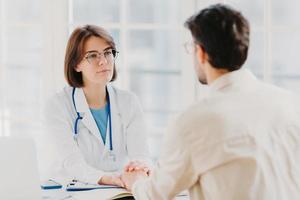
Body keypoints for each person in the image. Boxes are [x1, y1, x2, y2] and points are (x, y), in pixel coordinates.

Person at [121, 4, 300, 200]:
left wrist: (136, 182)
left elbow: (156, 194)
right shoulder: (289, 102)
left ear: (201, 52)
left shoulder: (194, 121)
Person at [41, 25, 150, 186]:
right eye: (92, 56)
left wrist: (139, 168)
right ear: (76, 64)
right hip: (72, 190)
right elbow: (72, 163)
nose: (103, 61)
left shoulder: (129, 102)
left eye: (107, 53)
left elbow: (140, 155)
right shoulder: (57, 106)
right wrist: (111, 179)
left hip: (118, 190)